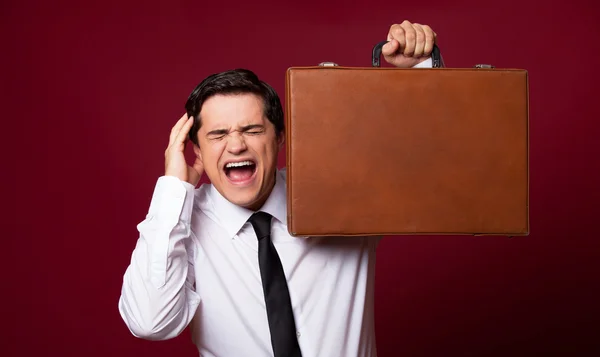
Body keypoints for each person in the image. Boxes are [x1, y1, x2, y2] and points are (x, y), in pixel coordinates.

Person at [118, 20, 438, 357]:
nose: (237, 145)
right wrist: (173, 189)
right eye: (218, 134)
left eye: (252, 129)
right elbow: (151, 322)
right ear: (195, 150)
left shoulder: (340, 191)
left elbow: (425, 170)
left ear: (281, 138)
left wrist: (418, 75)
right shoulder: (184, 223)